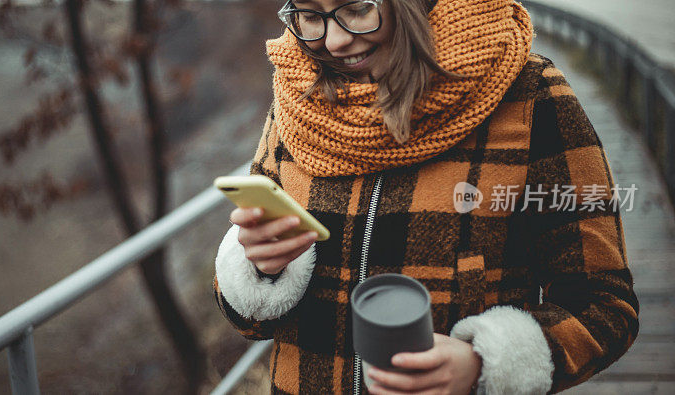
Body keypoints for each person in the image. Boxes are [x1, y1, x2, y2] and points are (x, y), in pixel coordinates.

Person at [213, 0, 639, 393]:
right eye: (310, 15)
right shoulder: (294, 99)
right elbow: (250, 322)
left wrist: (485, 363)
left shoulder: (529, 96)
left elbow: (606, 307)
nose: (335, 40)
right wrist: (259, 271)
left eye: (358, 7)